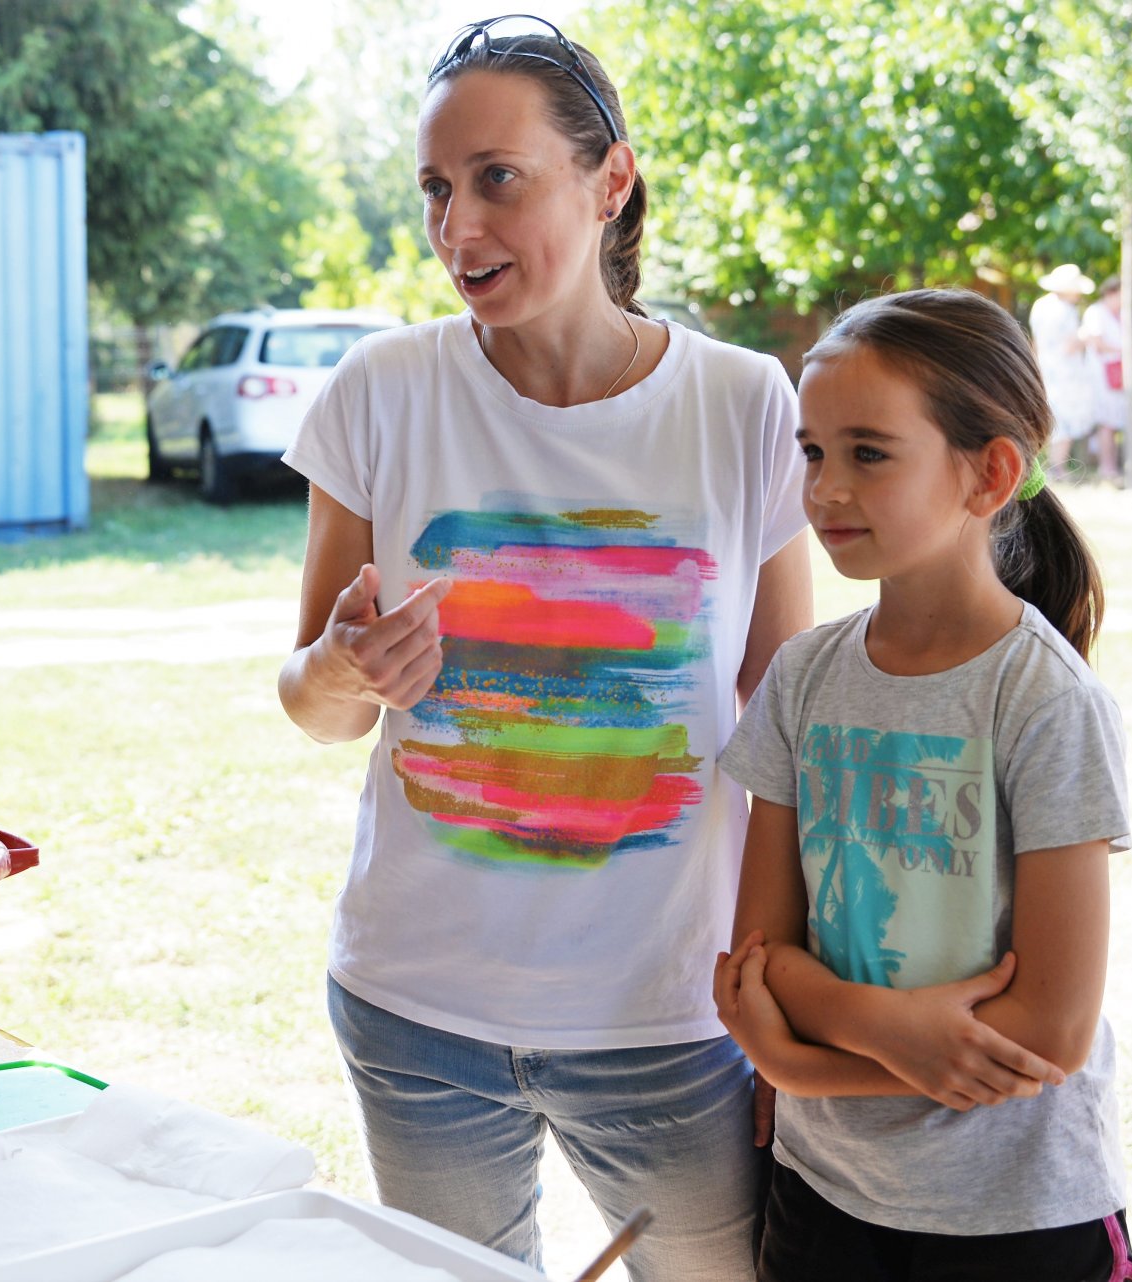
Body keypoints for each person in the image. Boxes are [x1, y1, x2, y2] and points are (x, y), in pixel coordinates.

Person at [275, 13, 812, 1280]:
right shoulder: (380, 391)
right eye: (435, 189)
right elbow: (315, 703)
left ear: (610, 180)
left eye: (498, 179)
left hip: (671, 1017)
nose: (457, 226)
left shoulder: (742, 402)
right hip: (417, 1013)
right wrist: (345, 668)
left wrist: (784, 988)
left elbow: (782, 725)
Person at [712, 289, 1132, 1281]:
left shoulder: (1045, 702)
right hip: (822, 1198)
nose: (825, 489)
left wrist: (798, 1059)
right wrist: (882, 1029)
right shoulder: (802, 678)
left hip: (1018, 1214)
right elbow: (758, 963)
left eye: (869, 453)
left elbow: (1049, 1032)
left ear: (989, 472)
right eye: (813, 452)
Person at [1028, 264, 1096, 471]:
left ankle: (1051, 465)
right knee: (1064, 418)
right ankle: (1058, 467)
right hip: (1065, 371)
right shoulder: (1066, 310)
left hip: (1046, 367)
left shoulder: (1040, 306)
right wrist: (1085, 336)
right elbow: (1068, 345)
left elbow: (1036, 342)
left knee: (1052, 414)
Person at [1080, 277, 1129, 482]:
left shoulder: (1120, 315)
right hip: (1101, 374)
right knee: (1106, 422)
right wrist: (1129, 351)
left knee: (1114, 421)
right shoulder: (1096, 312)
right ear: (1111, 293)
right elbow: (1097, 344)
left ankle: (1112, 464)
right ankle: (1106, 466)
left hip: (1116, 374)